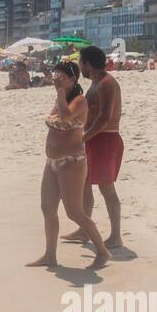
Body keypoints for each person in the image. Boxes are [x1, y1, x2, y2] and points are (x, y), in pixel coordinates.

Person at [27, 61, 113, 270]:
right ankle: (50, 255)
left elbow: (64, 117)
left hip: (71, 162)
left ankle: (102, 252)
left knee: (74, 212)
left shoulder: (79, 100)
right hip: (53, 161)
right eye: (55, 76)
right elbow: (55, 120)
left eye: (61, 78)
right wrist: (57, 107)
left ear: (72, 79)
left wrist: (58, 96)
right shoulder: (62, 99)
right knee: (47, 208)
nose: (56, 80)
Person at [68, 45, 124, 249]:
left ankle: (116, 236)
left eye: (80, 62)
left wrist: (83, 138)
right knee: (84, 184)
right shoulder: (96, 82)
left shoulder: (107, 83)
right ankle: (84, 229)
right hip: (94, 139)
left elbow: (105, 117)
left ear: (87, 64)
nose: (79, 66)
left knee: (106, 187)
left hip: (105, 140)